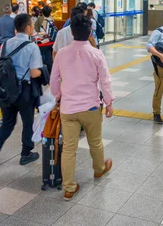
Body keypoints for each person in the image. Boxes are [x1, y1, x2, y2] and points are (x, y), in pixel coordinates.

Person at [50, 14, 114, 201]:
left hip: (68, 109)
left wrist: (57, 96)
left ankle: (69, 188)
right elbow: (105, 80)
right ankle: (99, 169)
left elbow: (54, 80)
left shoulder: (61, 53)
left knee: (69, 148)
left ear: (71, 32)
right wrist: (109, 102)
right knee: (95, 141)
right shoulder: (96, 53)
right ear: (90, 32)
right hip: (91, 108)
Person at [0, 14, 43, 175]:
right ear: (27, 27)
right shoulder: (32, 47)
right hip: (25, 91)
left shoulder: (5, 44)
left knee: (7, 123)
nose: (33, 27)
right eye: (32, 25)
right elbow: (35, 73)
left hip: (7, 90)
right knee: (28, 122)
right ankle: (26, 153)